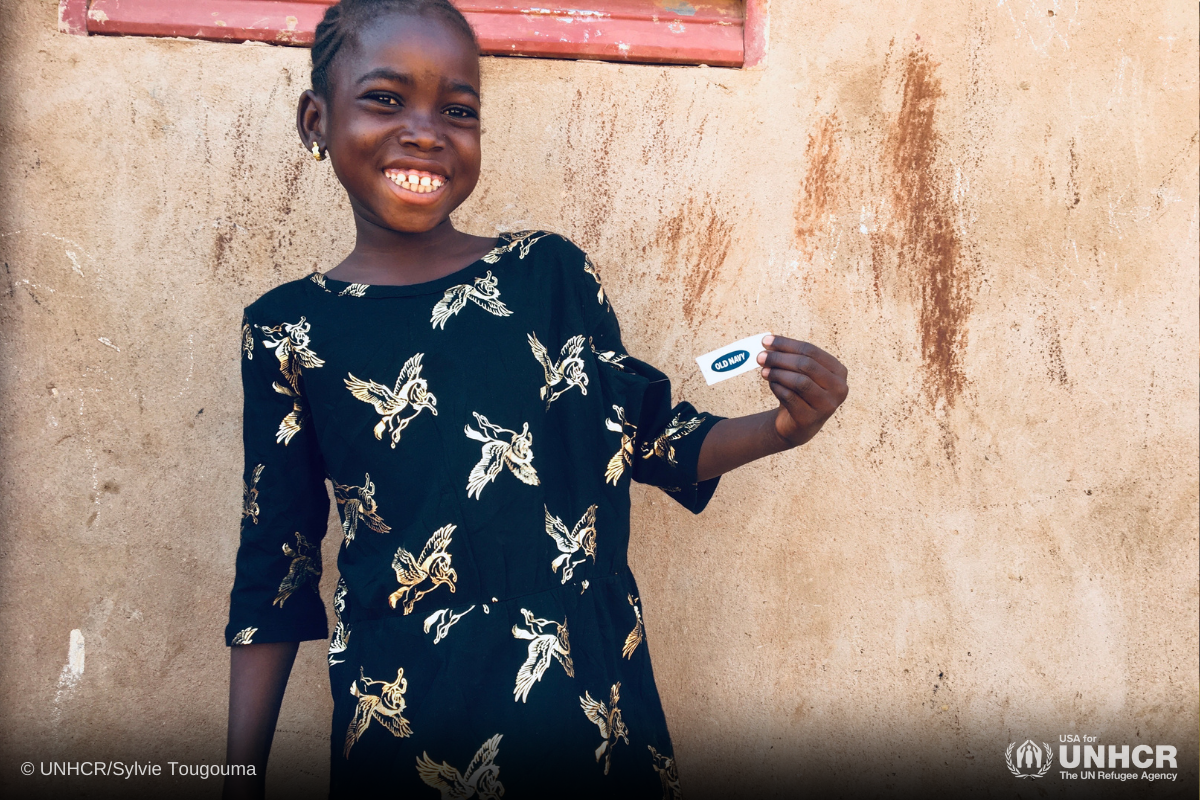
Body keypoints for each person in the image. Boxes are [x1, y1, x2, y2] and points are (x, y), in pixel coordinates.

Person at [222, 1, 849, 797]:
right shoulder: (288, 330)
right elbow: (274, 569)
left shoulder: (547, 276)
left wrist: (786, 428)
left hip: (586, 717)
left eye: (458, 109)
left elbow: (647, 436)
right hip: (410, 735)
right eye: (385, 98)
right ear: (316, 119)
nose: (424, 130)